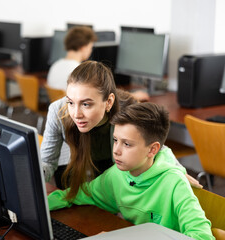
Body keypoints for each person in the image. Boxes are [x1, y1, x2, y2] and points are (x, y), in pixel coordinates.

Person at [48, 102, 214, 240]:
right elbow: (76, 195)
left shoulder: (175, 183)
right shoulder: (116, 175)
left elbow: (202, 236)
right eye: (115, 140)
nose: (116, 151)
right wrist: (36, 206)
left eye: (127, 144)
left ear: (152, 150)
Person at [41, 61, 202, 193]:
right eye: (70, 102)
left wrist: (178, 172)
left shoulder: (127, 109)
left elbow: (154, 146)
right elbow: (47, 161)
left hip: (110, 164)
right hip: (74, 162)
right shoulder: (58, 110)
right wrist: (30, 177)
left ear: (109, 102)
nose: (76, 114)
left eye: (86, 104)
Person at [47, 26, 149, 101]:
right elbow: (103, 97)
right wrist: (133, 96)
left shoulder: (55, 66)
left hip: (63, 116)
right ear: (83, 47)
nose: (91, 51)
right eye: (91, 47)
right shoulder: (80, 72)